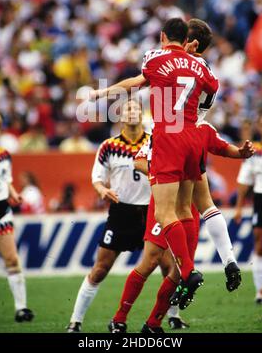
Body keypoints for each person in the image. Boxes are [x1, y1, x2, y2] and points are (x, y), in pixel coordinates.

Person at [91, 18, 220, 307]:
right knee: (197, 205)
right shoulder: (202, 67)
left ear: (163, 36)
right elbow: (211, 91)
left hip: (167, 137)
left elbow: (136, 83)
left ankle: (187, 271)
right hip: (194, 136)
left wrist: (101, 93)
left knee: (164, 214)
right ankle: (228, 262)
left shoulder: (155, 57)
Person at [109, 121, 254, 333]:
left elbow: (222, 149)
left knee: (181, 271)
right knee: (150, 260)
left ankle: (153, 323)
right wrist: (164, 171)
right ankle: (119, 318)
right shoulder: (164, 128)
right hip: (163, 204)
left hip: (188, 211)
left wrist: (240, 152)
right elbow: (138, 160)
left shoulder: (204, 128)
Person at [67, 99, 151, 333]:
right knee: (101, 269)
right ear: (120, 116)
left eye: (135, 108)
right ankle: (75, 321)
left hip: (152, 211)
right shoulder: (108, 146)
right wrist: (103, 190)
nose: (132, 112)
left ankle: (173, 317)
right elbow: (97, 178)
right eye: (127, 109)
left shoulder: (155, 142)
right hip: (121, 212)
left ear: (141, 114)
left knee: (167, 265)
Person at [0, 111, 34, 322]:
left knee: (12, 259)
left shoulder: (5, 155)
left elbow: (6, 180)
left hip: (1, 210)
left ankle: (21, 308)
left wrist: (14, 194)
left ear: (0, 129)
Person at [235, 110, 262, 304]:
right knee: (260, 244)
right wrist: (238, 207)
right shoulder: (254, 151)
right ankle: (261, 291)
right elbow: (244, 181)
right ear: (259, 127)